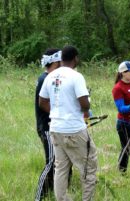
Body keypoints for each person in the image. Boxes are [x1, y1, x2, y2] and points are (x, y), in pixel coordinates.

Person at [39, 46, 98, 201]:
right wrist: (82, 106)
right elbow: (85, 105)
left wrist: (57, 112)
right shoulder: (76, 76)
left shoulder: (50, 76)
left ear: (61, 59)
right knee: (89, 167)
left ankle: (62, 199)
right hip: (74, 129)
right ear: (75, 58)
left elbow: (42, 102)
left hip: (55, 129)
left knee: (61, 168)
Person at [34, 48, 61, 201]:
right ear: (56, 61)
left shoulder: (52, 77)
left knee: (62, 162)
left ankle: (56, 194)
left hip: (55, 126)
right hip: (47, 127)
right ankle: (39, 197)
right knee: (51, 161)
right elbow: (43, 103)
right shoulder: (45, 78)